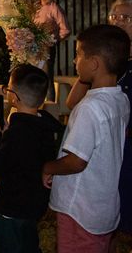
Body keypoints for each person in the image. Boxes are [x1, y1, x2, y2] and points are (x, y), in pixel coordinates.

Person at [42, 25, 130, 252]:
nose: (74, 61)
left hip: (80, 209)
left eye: (78, 54)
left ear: (94, 64)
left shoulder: (90, 108)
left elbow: (76, 161)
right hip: (102, 207)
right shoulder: (120, 100)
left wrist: (48, 167)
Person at [65, 0, 132, 237]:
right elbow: (72, 101)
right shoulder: (105, 64)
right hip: (107, 152)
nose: (118, 21)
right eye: (114, 16)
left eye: (126, 17)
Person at [0, 64, 64, 253]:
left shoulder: (18, 131)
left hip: (13, 208)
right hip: (34, 205)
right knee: (28, 243)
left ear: (13, 96)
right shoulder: (45, 126)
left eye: (8, 89)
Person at [34, 0, 71, 100]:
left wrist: (52, 41)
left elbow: (65, 29)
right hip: (33, 47)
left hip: (46, 48)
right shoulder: (36, 7)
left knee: (46, 78)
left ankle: (50, 108)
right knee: (33, 76)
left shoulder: (55, 8)